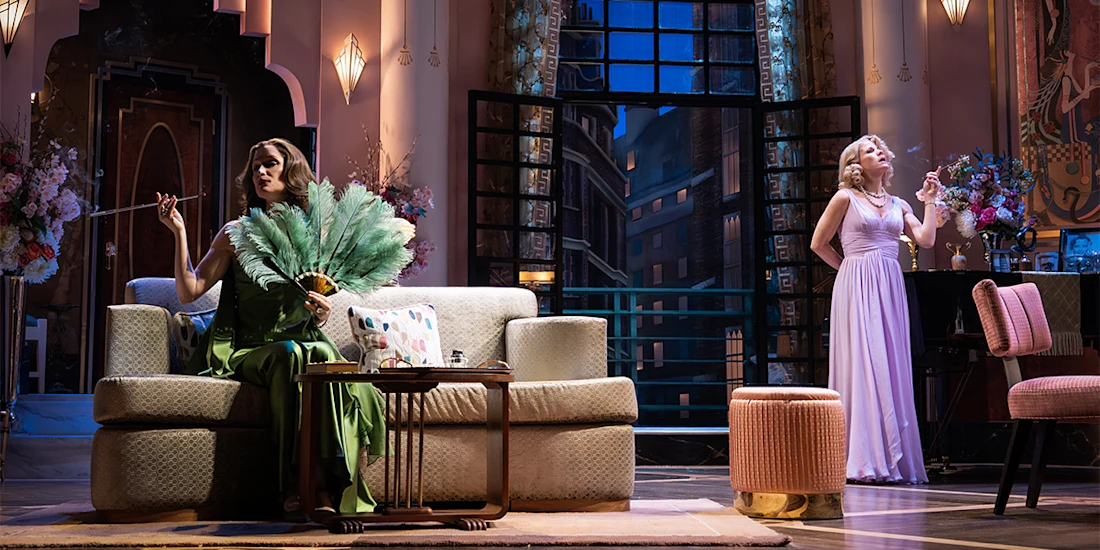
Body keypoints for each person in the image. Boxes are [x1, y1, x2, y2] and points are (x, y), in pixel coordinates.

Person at [156, 138, 405, 519]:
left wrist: (321, 313)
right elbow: (189, 291)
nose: (260, 172)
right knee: (292, 355)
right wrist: (179, 233)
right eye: (255, 166)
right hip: (248, 348)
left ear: (290, 174)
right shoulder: (235, 233)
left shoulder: (314, 236)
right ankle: (295, 484)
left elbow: (315, 312)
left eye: (270, 164)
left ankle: (323, 485)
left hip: (303, 341)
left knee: (321, 354)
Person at [810, 134, 940, 484]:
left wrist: (930, 200)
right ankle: (863, 456)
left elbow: (926, 240)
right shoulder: (845, 198)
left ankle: (893, 455)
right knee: (864, 362)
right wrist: (850, 269)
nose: (879, 152)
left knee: (890, 362)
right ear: (855, 164)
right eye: (870, 150)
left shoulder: (899, 203)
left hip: (889, 284)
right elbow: (818, 243)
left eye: (881, 148)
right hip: (857, 284)